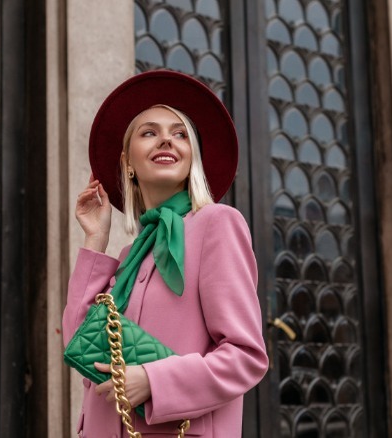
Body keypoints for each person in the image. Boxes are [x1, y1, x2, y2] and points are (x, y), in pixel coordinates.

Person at [62, 70, 269, 437]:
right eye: (149, 132)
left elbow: (245, 356)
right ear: (128, 162)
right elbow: (80, 345)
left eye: (179, 134)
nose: (166, 141)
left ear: (193, 157)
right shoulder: (130, 256)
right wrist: (95, 239)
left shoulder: (217, 225)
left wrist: (155, 381)